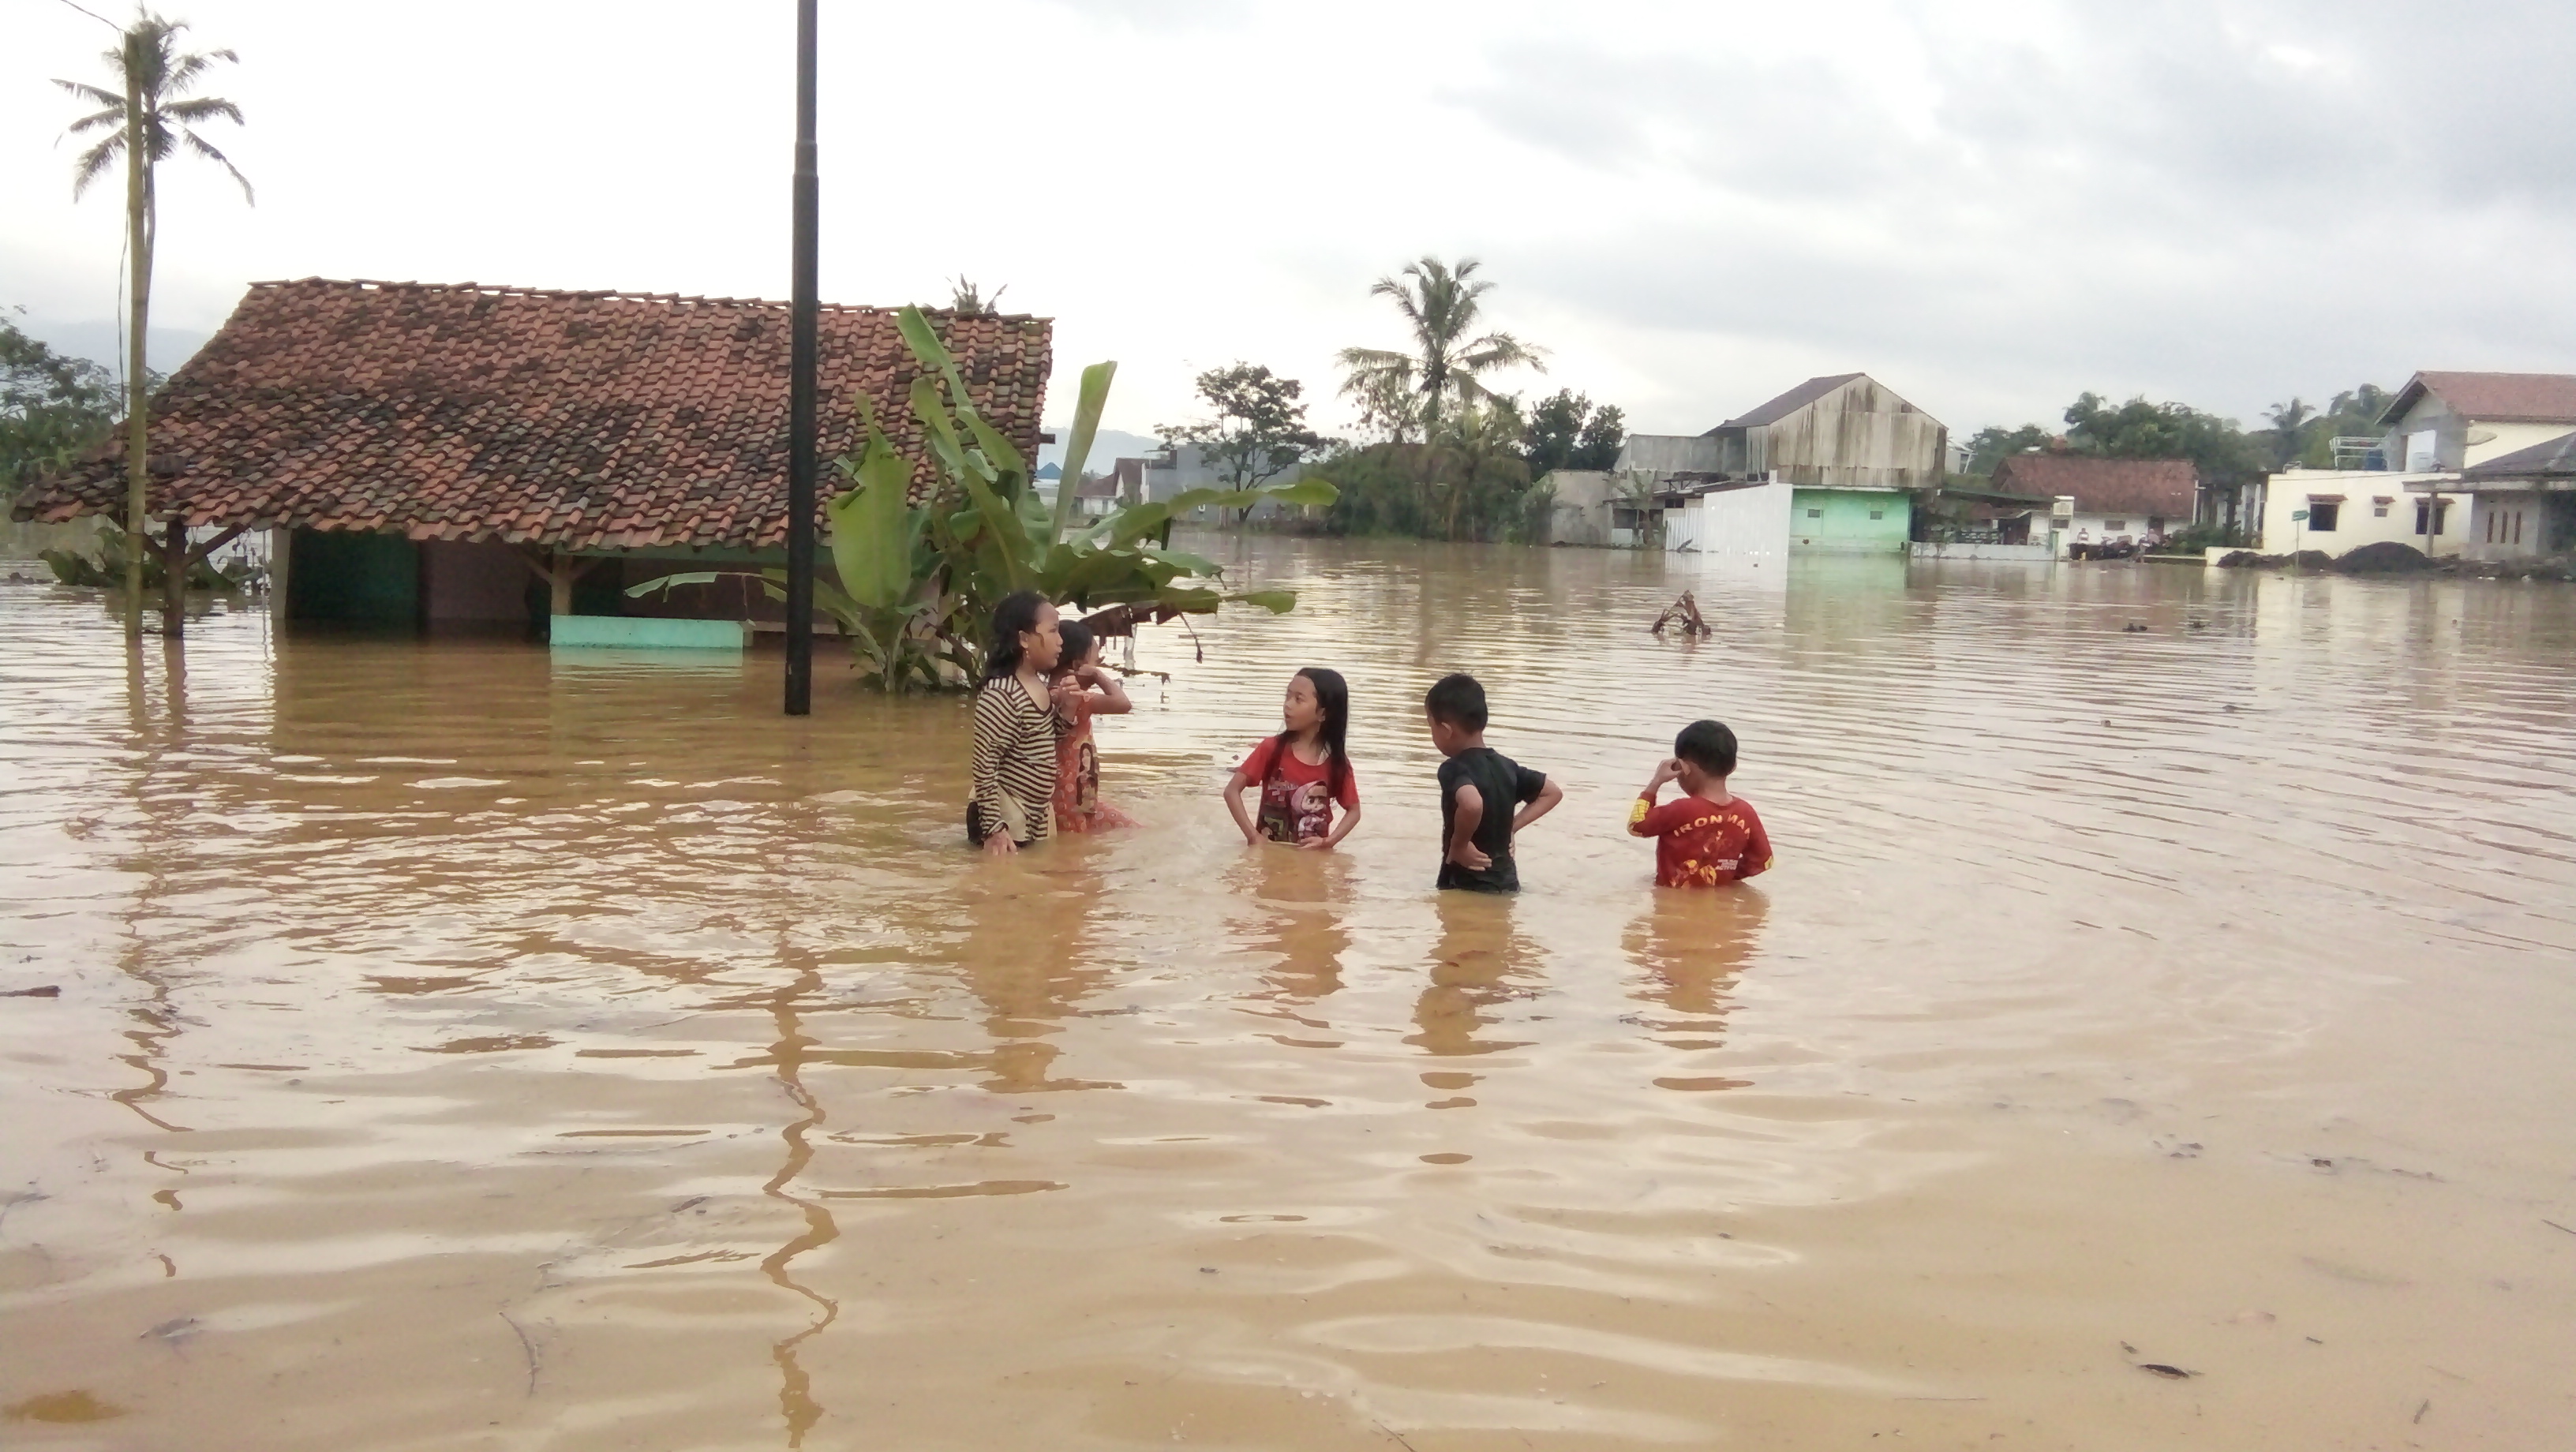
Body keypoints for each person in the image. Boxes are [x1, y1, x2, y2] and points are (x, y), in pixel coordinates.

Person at [1423, 672, 1562, 893]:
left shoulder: (1453, 768)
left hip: (1466, 885)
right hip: (1507, 883)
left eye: (1431, 726)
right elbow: (1552, 793)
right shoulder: (1508, 767)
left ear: (1446, 730)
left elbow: (1472, 804)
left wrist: (1459, 846)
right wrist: (1511, 828)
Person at [967, 590, 1064, 855]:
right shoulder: (1002, 693)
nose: (1060, 641)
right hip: (1004, 816)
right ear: (1023, 639)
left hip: (1032, 814)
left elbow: (1042, 742)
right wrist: (994, 828)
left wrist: (1068, 710)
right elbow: (984, 763)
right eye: (1053, 631)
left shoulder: (1039, 686)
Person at [1225, 667, 1362, 850]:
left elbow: (1354, 811)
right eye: (1287, 696)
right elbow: (1231, 791)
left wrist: (1328, 842)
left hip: (1311, 859)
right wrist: (1253, 836)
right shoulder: (1271, 749)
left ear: (1323, 714)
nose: (1288, 705)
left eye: (1298, 699)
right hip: (1269, 853)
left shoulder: (1337, 763)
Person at [1628, 719, 1773, 887]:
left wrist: (1655, 783)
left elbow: (1636, 826)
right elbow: (1765, 860)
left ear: (1684, 767)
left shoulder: (1681, 810)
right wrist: (1727, 877)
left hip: (1675, 905)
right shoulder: (1746, 812)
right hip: (1720, 905)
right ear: (1733, 766)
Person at [1050, 619, 1138, 833]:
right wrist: (1098, 676)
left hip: (1075, 798)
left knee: (1131, 828)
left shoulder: (1047, 693)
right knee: (1076, 858)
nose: (1097, 665)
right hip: (1072, 801)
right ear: (1079, 665)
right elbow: (1123, 703)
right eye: (1095, 661)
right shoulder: (1078, 699)